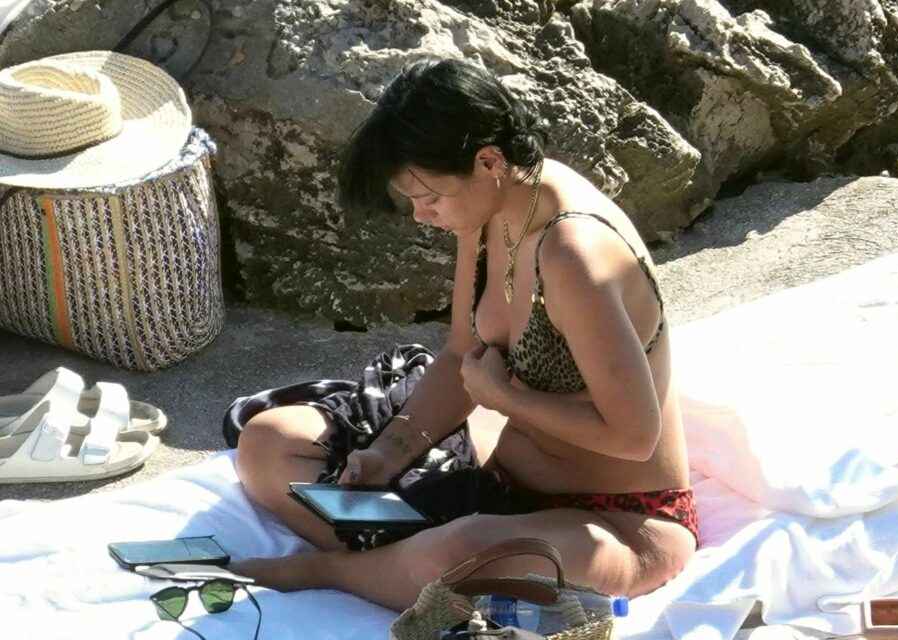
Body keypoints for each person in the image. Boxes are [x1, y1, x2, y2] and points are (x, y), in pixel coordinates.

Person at [232, 58, 698, 611]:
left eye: (429, 198)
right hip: (495, 483)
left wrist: (505, 398)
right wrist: (387, 454)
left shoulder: (573, 254)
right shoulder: (489, 208)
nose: (421, 216)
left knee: (462, 551)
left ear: (489, 161)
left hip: (616, 521)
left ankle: (335, 570)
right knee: (268, 443)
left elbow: (634, 437)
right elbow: (461, 354)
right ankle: (395, 566)